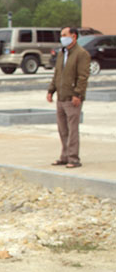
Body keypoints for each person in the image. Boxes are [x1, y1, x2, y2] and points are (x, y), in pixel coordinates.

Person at [47, 26, 91, 169]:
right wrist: (51, 90)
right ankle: (64, 156)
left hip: (72, 98)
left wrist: (78, 94)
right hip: (61, 97)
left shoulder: (81, 54)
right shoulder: (62, 53)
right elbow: (57, 74)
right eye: (61, 35)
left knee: (72, 130)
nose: (62, 37)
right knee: (62, 129)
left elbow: (83, 76)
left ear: (74, 36)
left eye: (64, 35)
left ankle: (73, 158)